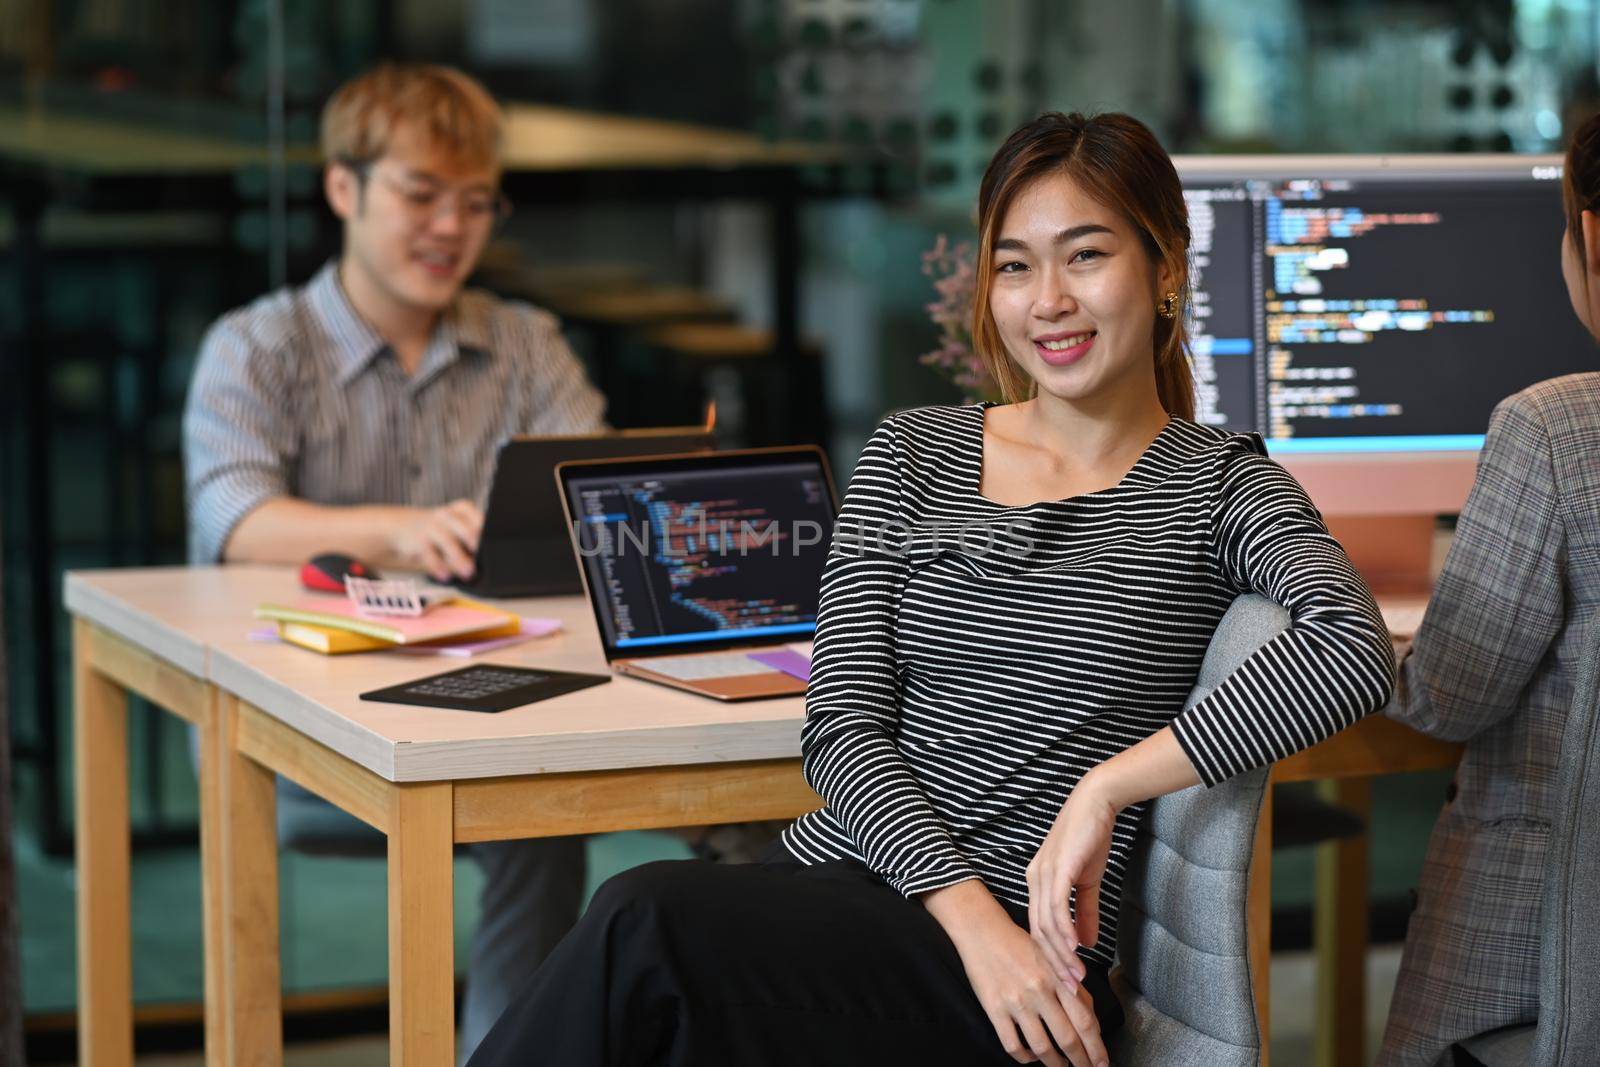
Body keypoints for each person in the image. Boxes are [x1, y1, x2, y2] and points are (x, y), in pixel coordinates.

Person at [466, 111, 1396, 1067]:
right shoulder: (915, 451)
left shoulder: (1217, 484)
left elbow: (1352, 645)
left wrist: (1107, 787)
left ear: (1165, 273)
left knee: (640, 921)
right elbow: (842, 731)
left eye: (1085, 256)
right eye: (1015, 266)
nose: (1049, 302)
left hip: (1031, 992)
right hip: (881, 910)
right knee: (648, 973)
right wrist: (971, 924)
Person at [181, 63, 605, 1060]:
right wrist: (401, 530)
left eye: (473, 202)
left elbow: (597, 494)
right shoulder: (256, 347)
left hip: (486, 696)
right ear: (343, 188)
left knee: (545, 808)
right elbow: (233, 517)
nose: (450, 227)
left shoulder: (525, 344)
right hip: (295, 726)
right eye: (419, 194)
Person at [1376, 113, 1600, 1066]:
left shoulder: (1558, 430)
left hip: (1546, 959)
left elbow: (1445, 695)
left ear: (1593, 238)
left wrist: (1325, 614)